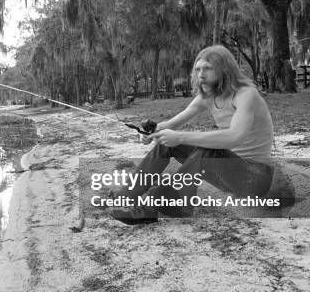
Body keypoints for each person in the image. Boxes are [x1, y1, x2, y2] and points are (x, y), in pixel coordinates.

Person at [111, 45, 276, 224]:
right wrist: (152, 132)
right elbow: (174, 122)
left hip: (255, 179)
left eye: (208, 68)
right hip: (227, 175)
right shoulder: (209, 95)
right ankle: (127, 196)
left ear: (225, 68)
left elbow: (235, 136)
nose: (201, 74)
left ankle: (157, 206)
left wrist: (180, 137)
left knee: (208, 150)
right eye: (198, 69)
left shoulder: (245, 94)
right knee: (167, 143)